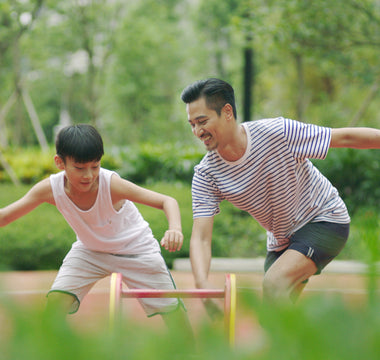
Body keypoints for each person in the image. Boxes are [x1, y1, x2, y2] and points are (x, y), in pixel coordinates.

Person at [180, 77, 380, 307]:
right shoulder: (207, 174)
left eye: (202, 121)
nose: (197, 131)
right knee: (276, 315)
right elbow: (201, 238)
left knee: (274, 284)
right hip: (282, 240)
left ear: (227, 112)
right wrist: (202, 283)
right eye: (192, 124)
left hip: (324, 219)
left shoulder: (278, 133)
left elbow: (345, 137)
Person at [0, 124, 192, 334]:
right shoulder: (49, 190)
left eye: (95, 166)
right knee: (54, 305)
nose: (89, 175)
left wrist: (175, 229)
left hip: (137, 250)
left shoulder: (112, 185)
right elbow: (6, 216)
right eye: (80, 168)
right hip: (90, 251)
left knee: (175, 319)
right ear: (60, 163)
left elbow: (167, 201)